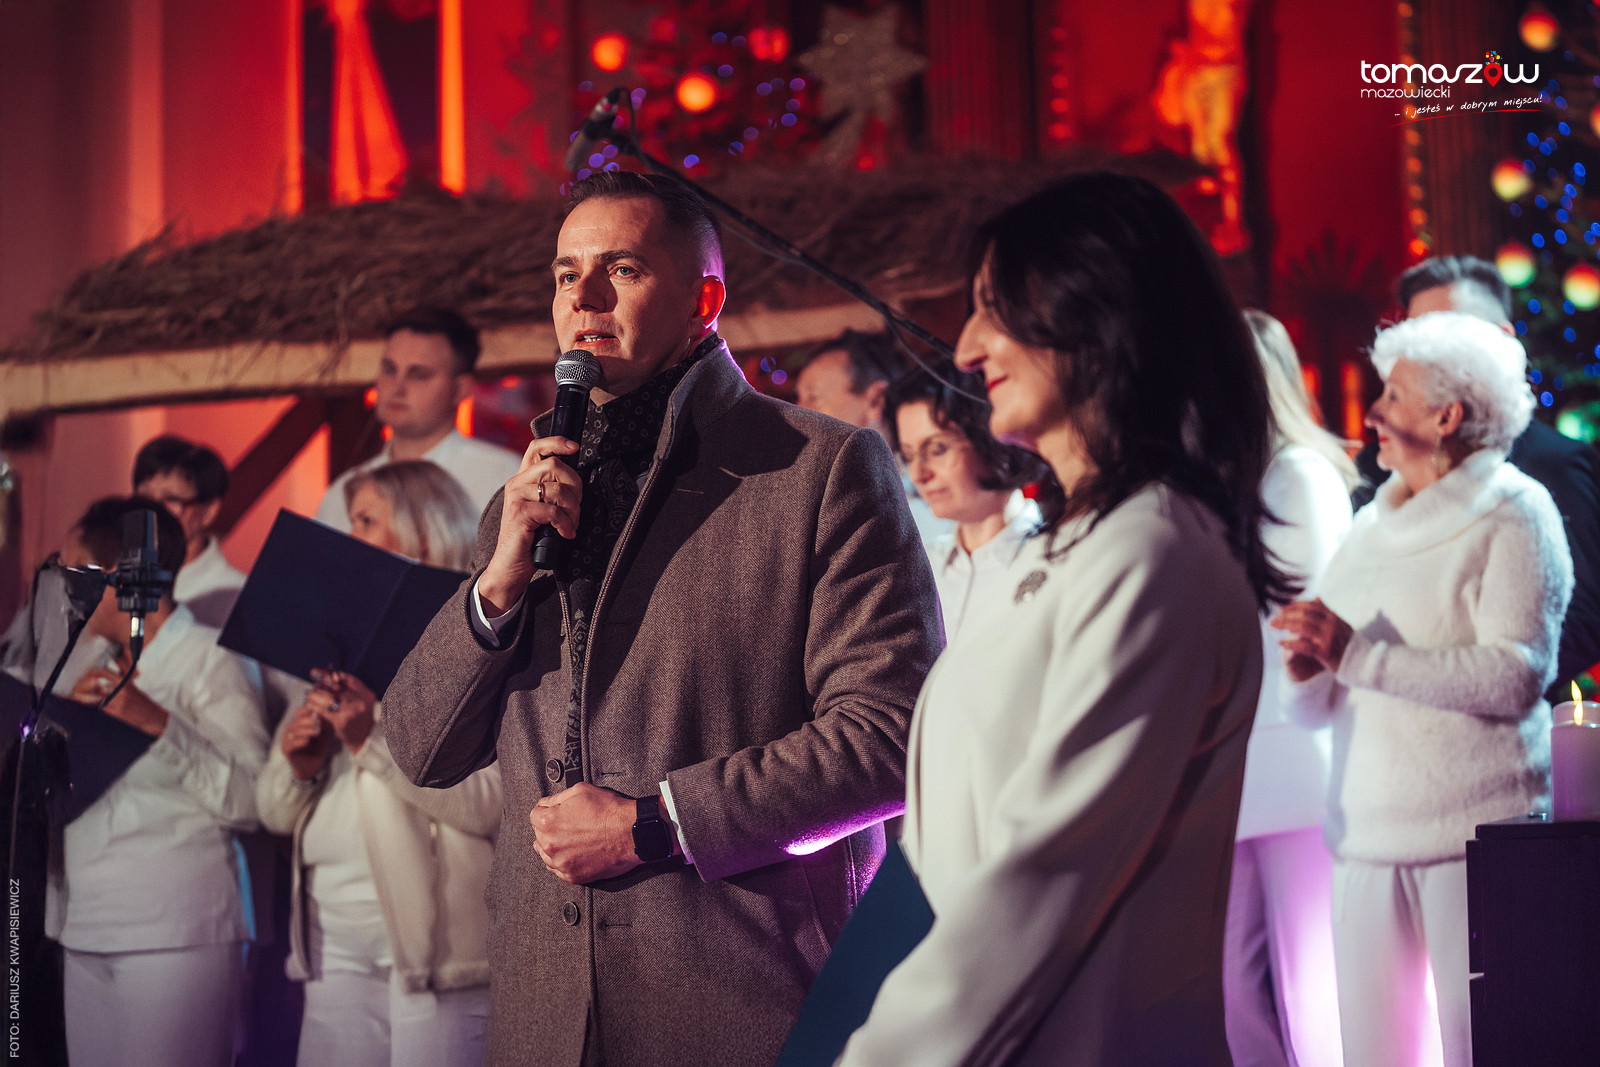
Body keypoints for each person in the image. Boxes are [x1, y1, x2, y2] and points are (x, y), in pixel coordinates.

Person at [382, 171, 940, 1067]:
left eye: (623, 269)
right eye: (566, 275)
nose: (585, 298)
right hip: (545, 1022)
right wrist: (498, 582)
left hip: (740, 1007)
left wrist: (658, 822)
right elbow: (420, 747)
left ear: (702, 303)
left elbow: (892, 737)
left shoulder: (819, 469)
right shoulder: (524, 501)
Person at [840, 171, 1290, 1065]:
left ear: (1095, 314)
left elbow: (1040, 876)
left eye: (994, 309)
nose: (967, 347)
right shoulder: (1079, 545)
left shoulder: (1152, 551)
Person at [1273, 311, 1572, 1067]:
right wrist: (1307, 672)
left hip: (1476, 845)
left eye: (1393, 396)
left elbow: (1517, 675)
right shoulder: (1370, 528)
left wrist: (1359, 658)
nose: (1372, 413)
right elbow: (1324, 695)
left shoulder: (1516, 514)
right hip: (1366, 842)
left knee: (1485, 1049)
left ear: (1448, 417)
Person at [257, 460, 499, 1067]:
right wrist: (300, 767)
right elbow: (273, 814)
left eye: (365, 521)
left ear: (424, 532)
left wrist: (371, 741)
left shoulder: (477, 649)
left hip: (430, 956)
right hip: (331, 944)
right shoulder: (332, 640)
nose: (349, 536)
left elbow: (490, 805)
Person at [49, 496, 268, 1067]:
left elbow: (253, 799)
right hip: (85, 921)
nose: (61, 587)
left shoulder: (210, 660)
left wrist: (158, 723)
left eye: (72, 571)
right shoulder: (85, 663)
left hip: (177, 928)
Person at [1352, 255, 1600, 705]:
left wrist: (1455, 686)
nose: (1428, 354)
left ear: (1503, 340)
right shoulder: (1376, 468)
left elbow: (1584, 616)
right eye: (1417, 337)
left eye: (1450, 334)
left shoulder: (1556, 466)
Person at [1224, 310, 1355, 1067]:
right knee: (1233, 994)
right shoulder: (1219, 479)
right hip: (1233, 767)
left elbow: (1307, 624)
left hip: (1300, 759)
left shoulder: (1297, 474)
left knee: (1315, 992)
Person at [314, 307, 522, 532]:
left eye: (419, 375)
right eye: (389, 369)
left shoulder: (503, 480)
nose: (397, 388)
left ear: (460, 389)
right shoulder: (341, 494)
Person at [883, 359, 1045, 640]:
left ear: (991, 436)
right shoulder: (918, 569)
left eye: (937, 449)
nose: (919, 474)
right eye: (908, 456)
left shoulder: (1052, 556)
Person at [795, 330, 953, 546]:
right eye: (798, 398)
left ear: (876, 400)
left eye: (814, 396)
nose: (797, 411)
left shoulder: (934, 502)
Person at [132, 435, 244, 629]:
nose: (154, 511)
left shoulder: (234, 596)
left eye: (171, 499)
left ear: (208, 511)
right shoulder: (120, 579)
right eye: (145, 498)